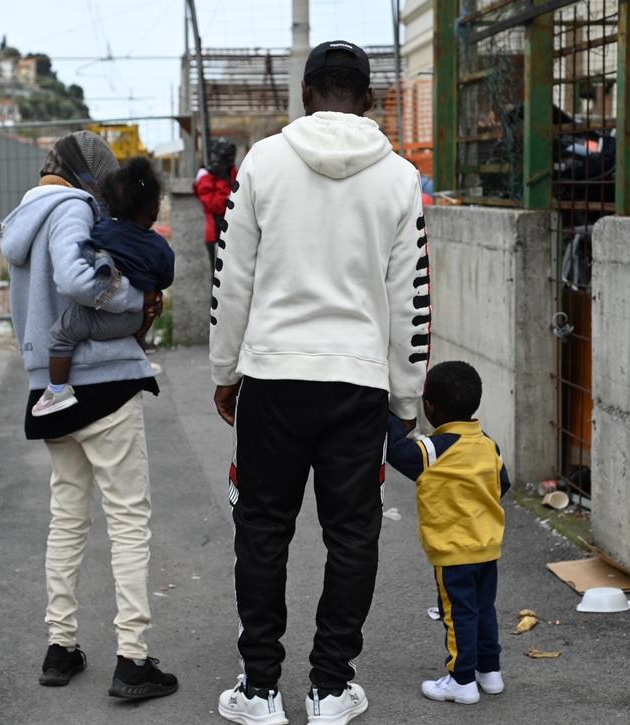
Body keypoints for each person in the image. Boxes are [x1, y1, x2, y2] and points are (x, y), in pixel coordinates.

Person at [210, 40, 431, 725]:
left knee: (263, 529)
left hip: (274, 377)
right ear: (368, 99)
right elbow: (410, 299)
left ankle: (260, 689)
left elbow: (232, 280)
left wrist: (226, 374)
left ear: (306, 94)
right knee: (353, 534)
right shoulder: (399, 178)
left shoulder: (264, 164)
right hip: (357, 383)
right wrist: (404, 395)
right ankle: (332, 688)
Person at [1, 130, 177, 700]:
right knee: (128, 521)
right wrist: (135, 299)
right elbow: (76, 279)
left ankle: (61, 646)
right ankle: (132, 660)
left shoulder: (22, 217)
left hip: (49, 388)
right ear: (88, 176)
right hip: (101, 380)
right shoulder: (73, 206)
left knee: (68, 517)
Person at [386, 360, 509, 705]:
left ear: (430, 406)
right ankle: (490, 672)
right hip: (487, 545)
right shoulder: (488, 445)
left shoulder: (435, 449)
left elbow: (398, 452)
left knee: (458, 614)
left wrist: (387, 412)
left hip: (453, 550)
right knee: (484, 609)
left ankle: (461, 680)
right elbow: (504, 485)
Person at [32, 157, 175, 417]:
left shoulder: (102, 231)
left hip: (105, 314)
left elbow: (80, 263)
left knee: (62, 333)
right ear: (154, 210)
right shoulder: (160, 247)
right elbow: (165, 278)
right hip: (138, 320)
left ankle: (57, 390)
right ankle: (138, 352)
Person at [193, 138, 238, 272]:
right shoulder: (205, 177)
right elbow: (214, 205)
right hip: (215, 234)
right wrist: (223, 181)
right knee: (218, 276)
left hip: (234, 231)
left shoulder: (231, 171)